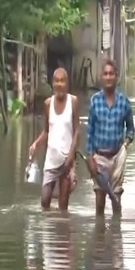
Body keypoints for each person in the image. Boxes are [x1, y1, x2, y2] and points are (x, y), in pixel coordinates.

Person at [87, 59, 135, 216]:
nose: (108, 77)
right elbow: (90, 132)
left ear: (116, 77)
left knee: (116, 200)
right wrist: (90, 158)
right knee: (100, 201)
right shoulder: (95, 101)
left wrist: (125, 145)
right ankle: (99, 237)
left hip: (117, 157)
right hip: (99, 156)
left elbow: (131, 130)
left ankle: (116, 236)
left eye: (111, 74)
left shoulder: (124, 103)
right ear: (102, 77)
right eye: (105, 74)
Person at [29, 68, 80, 211]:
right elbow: (46, 131)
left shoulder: (73, 102)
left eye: (62, 80)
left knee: (63, 207)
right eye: (56, 80)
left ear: (67, 84)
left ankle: (62, 231)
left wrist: (71, 157)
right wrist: (36, 144)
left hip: (66, 161)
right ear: (52, 84)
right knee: (45, 202)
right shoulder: (47, 104)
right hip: (50, 161)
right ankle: (51, 228)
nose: (59, 84)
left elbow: (77, 131)